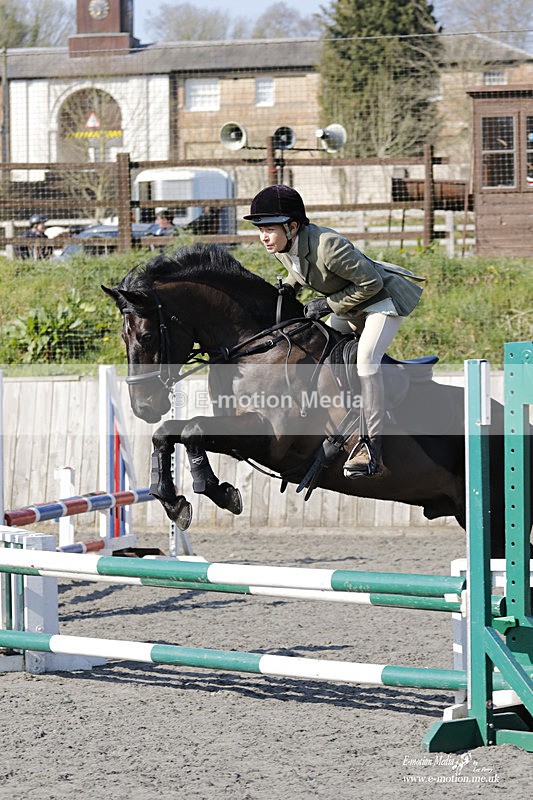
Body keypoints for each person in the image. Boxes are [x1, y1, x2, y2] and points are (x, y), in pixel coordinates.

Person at [243, 185, 425, 479]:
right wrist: (289, 287)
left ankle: (371, 445)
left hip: (382, 302)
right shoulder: (283, 246)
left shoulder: (329, 245)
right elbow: (299, 268)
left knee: (366, 359)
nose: (263, 236)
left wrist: (327, 304)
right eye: (260, 229)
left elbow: (372, 284)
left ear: (292, 227)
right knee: (322, 349)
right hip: (349, 304)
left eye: (269, 229)